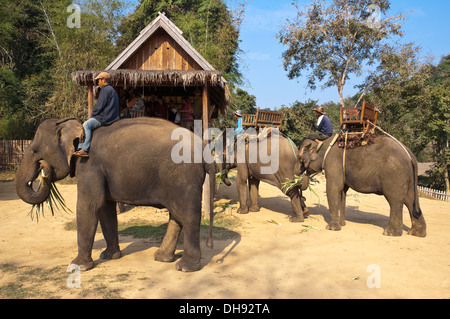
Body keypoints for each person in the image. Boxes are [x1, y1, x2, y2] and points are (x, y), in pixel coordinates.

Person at [73, 72, 119, 157]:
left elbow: (99, 106)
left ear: (103, 80)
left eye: (98, 80)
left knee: (86, 125)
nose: (98, 83)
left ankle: (84, 148)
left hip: (105, 118)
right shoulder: (113, 91)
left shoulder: (105, 90)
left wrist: (92, 116)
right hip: (113, 117)